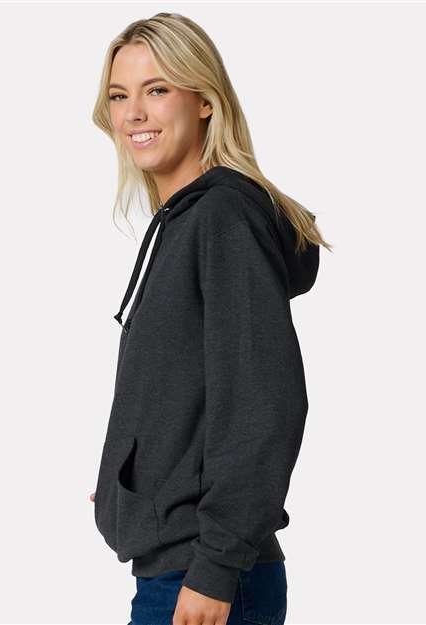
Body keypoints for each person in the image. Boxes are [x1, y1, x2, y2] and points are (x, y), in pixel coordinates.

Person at [88, 12, 331, 625]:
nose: (134, 113)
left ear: (204, 101)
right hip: (179, 568)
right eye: (119, 95)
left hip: (204, 577)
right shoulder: (182, 223)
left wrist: (217, 566)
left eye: (157, 89)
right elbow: (187, 391)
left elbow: (264, 402)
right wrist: (136, 481)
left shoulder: (222, 218)